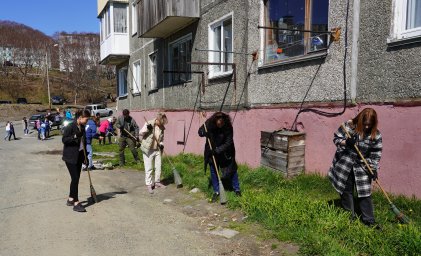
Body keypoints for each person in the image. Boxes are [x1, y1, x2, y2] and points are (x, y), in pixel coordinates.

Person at [328, 108, 383, 228]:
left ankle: (369, 221)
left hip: (362, 166)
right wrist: (346, 142)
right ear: (360, 120)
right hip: (345, 164)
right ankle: (349, 217)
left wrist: (373, 169)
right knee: (346, 191)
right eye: (365, 124)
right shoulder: (348, 126)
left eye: (370, 124)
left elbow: (376, 153)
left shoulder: (376, 135)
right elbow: (336, 139)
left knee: (365, 193)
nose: (367, 127)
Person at [198, 112, 241, 202]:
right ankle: (216, 191)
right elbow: (200, 131)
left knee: (232, 170)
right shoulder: (209, 123)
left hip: (225, 152)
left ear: (224, 121)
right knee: (213, 171)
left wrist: (217, 150)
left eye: (221, 124)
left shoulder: (228, 127)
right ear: (215, 121)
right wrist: (203, 132)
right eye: (218, 124)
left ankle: (237, 189)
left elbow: (228, 143)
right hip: (211, 151)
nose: (219, 126)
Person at [62, 109, 91, 213]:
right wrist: (75, 136)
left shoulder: (82, 127)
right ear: (80, 118)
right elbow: (64, 140)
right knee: (75, 178)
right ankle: (76, 203)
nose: (87, 121)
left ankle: (70, 199)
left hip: (79, 155)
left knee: (76, 178)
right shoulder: (70, 126)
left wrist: (85, 156)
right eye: (86, 119)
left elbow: (83, 142)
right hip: (70, 156)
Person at [139, 113, 168, 194]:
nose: (162, 125)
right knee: (149, 168)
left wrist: (161, 145)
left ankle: (157, 182)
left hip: (157, 149)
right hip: (148, 149)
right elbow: (140, 133)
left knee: (158, 166)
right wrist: (147, 129)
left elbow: (161, 139)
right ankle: (149, 184)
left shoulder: (161, 127)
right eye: (161, 123)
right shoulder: (149, 123)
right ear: (157, 119)